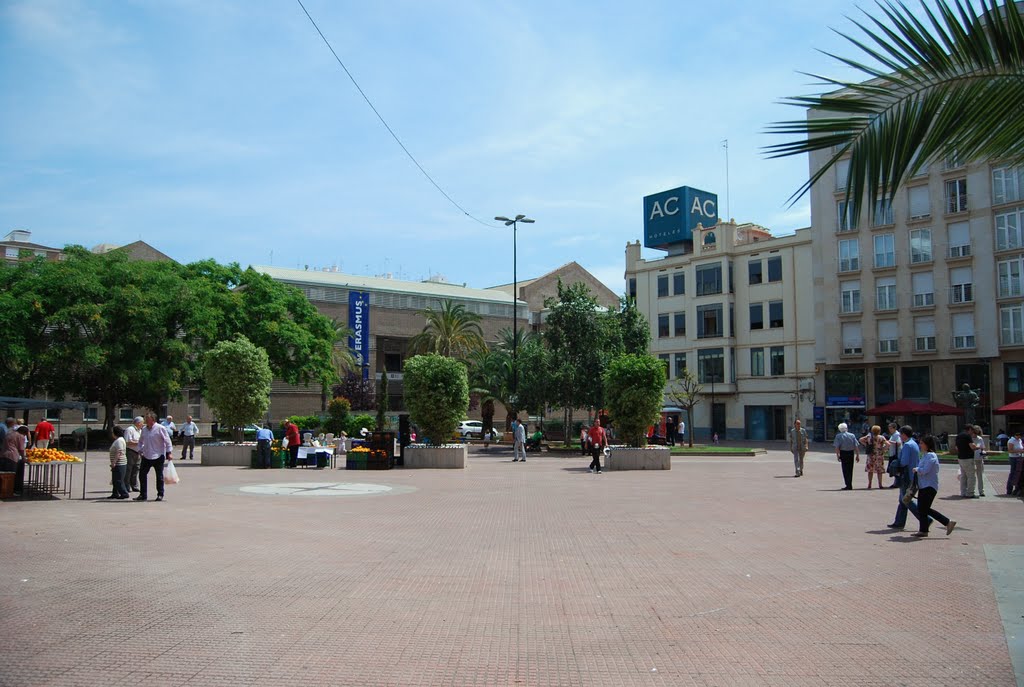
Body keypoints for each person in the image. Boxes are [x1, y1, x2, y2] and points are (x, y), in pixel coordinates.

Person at [910, 435, 957, 537]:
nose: (920, 445)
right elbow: (923, 467)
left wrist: (917, 470)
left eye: (922, 443)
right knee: (921, 509)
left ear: (927, 444)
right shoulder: (925, 455)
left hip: (929, 486)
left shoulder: (931, 456)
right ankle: (923, 530)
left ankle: (947, 522)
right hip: (924, 485)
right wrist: (918, 468)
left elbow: (925, 470)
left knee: (924, 508)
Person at [889, 425, 929, 530]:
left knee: (906, 499)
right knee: (902, 500)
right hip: (912, 475)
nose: (900, 436)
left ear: (903, 434)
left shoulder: (907, 445)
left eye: (901, 434)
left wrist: (896, 464)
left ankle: (925, 519)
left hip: (906, 475)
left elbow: (904, 462)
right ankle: (899, 522)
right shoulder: (914, 443)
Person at [136, 412, 172, 502]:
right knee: (142, 475)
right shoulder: (144, 429)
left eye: (148, 419)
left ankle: (160, 494)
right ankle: (143, 494)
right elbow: (140, 441)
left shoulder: (160, 428)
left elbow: (167, 441)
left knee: (159, 476)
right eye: (146, 419)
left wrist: (169, 453)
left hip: (158, 456)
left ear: (153, 420)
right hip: (146, 455)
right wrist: (140, 450)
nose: (146, 421)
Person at [2, 424, 29, 495]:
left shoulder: (9, 434)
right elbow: (21, 449)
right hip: (12, 456)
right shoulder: (21, 436)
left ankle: (4, 489)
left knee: (4, 475)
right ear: (24, 433)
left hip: (3, 455)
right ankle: (12, 491)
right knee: (13, 475)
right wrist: (23, 457)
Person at [833, 422, 860, 490]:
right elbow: (856, 446)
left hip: (843, 453)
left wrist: (838, 455)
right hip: (851, 453)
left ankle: (848, 484)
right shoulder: (852, 435)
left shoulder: (838, 436)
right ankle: (849, 484)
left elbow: (837, 447)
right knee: (850, 469)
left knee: (845, 469)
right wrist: (857, 455)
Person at [107, 426, 129, 500]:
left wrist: (114, 462)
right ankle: (115, 493)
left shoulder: (119, 440)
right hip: (119, 463)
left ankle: (124, 493)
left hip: (120, 463)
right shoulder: (119, 440)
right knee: (115, 479)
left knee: (118, 479)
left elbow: (119, 452)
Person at [954, 426, 977, 498]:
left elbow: (956, 447)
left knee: (963, 476)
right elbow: (972, 446)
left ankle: (963, 492)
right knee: (971, 476)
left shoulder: (958, 436)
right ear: (969, 429)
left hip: (960, 457)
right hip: (968, 458)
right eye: (972, 431)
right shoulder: (967, 436)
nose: (972, 433)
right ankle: (970, 493)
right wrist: (978, 447)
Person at [124, 416, 143, 492]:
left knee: (136, 469)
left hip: (138, 452)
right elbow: (127, 441)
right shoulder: (130, 430)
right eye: (142, 423)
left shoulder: (140, 431)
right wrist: (138, 443)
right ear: (138, 423)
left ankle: (134, 485)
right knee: (129, 469)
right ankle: (126, 486)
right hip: (130, 452)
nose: (143, 424)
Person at [885, 422, 903, 488]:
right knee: (894, 469)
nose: (889, 429)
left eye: (891, 428)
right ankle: (896, 482)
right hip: (892, 453)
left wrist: (888, 441)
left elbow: (898, 443)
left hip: (896, 454)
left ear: (894, 428)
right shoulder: (893, 435)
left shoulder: (897, 435)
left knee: (895, 469)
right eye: (889, 428)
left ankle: (897, 483)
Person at [971, 424, 987, 498]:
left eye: (977, 433)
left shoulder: (980, 438)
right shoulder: (969, 439)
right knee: (972, 476)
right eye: (974, 432)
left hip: (979, 458)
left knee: (980, 475)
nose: (975, 434)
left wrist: (983, 453)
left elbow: (983, 448)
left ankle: (981, 491)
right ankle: (971, 490)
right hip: (971, 459)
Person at [1007, 430, 1024, 496]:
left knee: (1018, 473)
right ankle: (1009, 490)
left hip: (1019, 457)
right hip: (1013, 458)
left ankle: (1017, 488)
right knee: (1013, 473)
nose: (1020, 437)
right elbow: (1010, 450)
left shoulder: (1019, 440)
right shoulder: (1012, 440)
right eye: (1019, 436)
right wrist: (1020, 450)